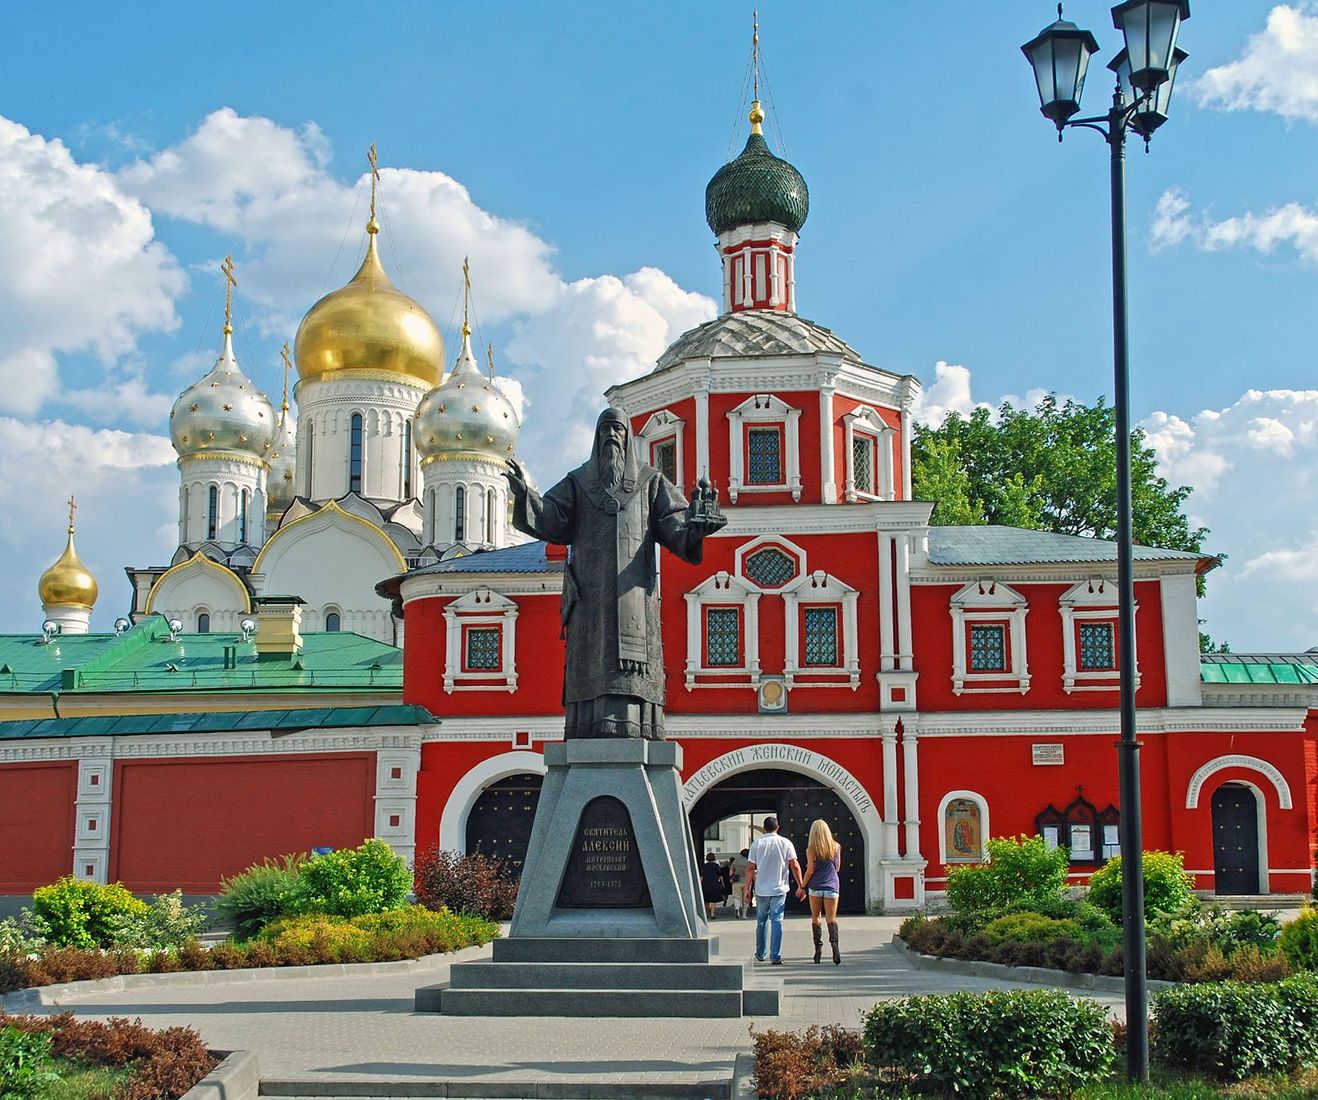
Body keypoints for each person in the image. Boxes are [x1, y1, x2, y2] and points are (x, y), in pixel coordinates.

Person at [505, 407, 725, 739]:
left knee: (633, 663)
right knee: (590, 658)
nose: (611, 435)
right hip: (588, 598)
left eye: (618, 430)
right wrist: (525, 495)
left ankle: (638, 728)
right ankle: (587, 731)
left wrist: (695, 532)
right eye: (605, 429)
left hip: (634, 596)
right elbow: (552, 518)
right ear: (596, 437)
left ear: (628, 438)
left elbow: (676, 528)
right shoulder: (577, 482)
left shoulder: (650, 482)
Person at [745, 816, 803, 965]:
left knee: (762, 922)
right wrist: (801, 885)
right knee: (777, 921)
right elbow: (794, 865)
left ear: (764, 828)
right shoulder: (785, 843)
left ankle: (760, 953)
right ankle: (775, 955)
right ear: (778, 828)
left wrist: (747, 889)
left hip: (761, 890)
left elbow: (750, 868)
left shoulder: (756, 844)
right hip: (779, 889)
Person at [795, 818, 843, 965]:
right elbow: (838, 867)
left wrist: (802, 886)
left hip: (815, 887)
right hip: (832, 886)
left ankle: (818, 949)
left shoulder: (811, 849)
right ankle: (835, 946)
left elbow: (810, 870)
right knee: (831, 919)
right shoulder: (836, 846)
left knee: (816, 918)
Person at [700, 851, 725, 920]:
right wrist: (723, 884)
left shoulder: (704, 866)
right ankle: (712, 914)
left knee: (706, 900)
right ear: (714, 858)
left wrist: (700, 884)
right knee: (713, 901)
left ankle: (706, 913)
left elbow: (701, 876)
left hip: (705, 884)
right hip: (714, 884)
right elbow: (720, 876)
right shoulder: (716, 866)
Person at [730, 848, 750, 918]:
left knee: (736, 896)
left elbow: (731, 870)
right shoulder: (749, 861)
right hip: (747, 881)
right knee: (746, 897)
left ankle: (737, 909)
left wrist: (731, 877)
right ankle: (744, 914)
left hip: (737, 880)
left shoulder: (736, 861)